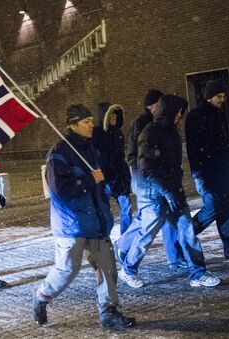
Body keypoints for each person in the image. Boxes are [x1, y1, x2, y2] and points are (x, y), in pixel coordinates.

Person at [31, 104, 134, 329]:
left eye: (90, 120)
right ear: (73, 125)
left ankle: (108, 312)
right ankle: (41, 296)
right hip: (72, 225)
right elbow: (59, 190)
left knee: (107, 267)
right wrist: (89, 179)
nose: (91, 125)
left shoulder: (90, 149)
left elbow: (102, 178)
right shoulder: (58, 153)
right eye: (85, 122)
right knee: (67, 270)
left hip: (96, 221)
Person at [117, 95, 222, 289]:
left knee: (187, 230)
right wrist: (165, 189)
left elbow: (172, 163)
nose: (180, 114)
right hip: (154, 195)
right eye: (178, 111)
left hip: (174, 191)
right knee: (146, 234)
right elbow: (147, 167)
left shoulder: (171, 132)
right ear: (169, 111)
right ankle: (128, 269)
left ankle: (197, 273)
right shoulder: (150, 132)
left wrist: (174, 185)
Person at [185, 80, 229, 260]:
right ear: (209, 97)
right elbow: (193, 148)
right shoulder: (195, 117)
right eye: (219, 96)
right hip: (208, 172)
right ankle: (184, 236)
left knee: (227, 208)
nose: (222, 99)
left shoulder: (219, 115)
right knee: (213, 207)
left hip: (222, 170)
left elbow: (224, 145)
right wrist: (198, 175)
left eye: (223, 96)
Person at [124, 89, 186, 269]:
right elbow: (134, 154)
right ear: (149, 106)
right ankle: (125, 253)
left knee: (164, 218)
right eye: (155, 105)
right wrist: (138, 176)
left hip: (159, 178)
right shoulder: (142, 124)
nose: (157, 108)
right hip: (146, 179)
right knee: (147, 222)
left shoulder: (164, 125)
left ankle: (174, 256)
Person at [91, 103, 132, 234]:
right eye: (111, 114)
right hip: (105, 180)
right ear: (105, 115)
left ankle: (126, 238)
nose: (114, 117)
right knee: (104, 211)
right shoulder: (96, 134)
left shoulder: (118, 133)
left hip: (119, 179)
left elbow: (120, 157)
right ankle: (104, 238)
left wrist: (124, 175)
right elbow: (96, 157)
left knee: (126, 207)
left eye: (116, 114)